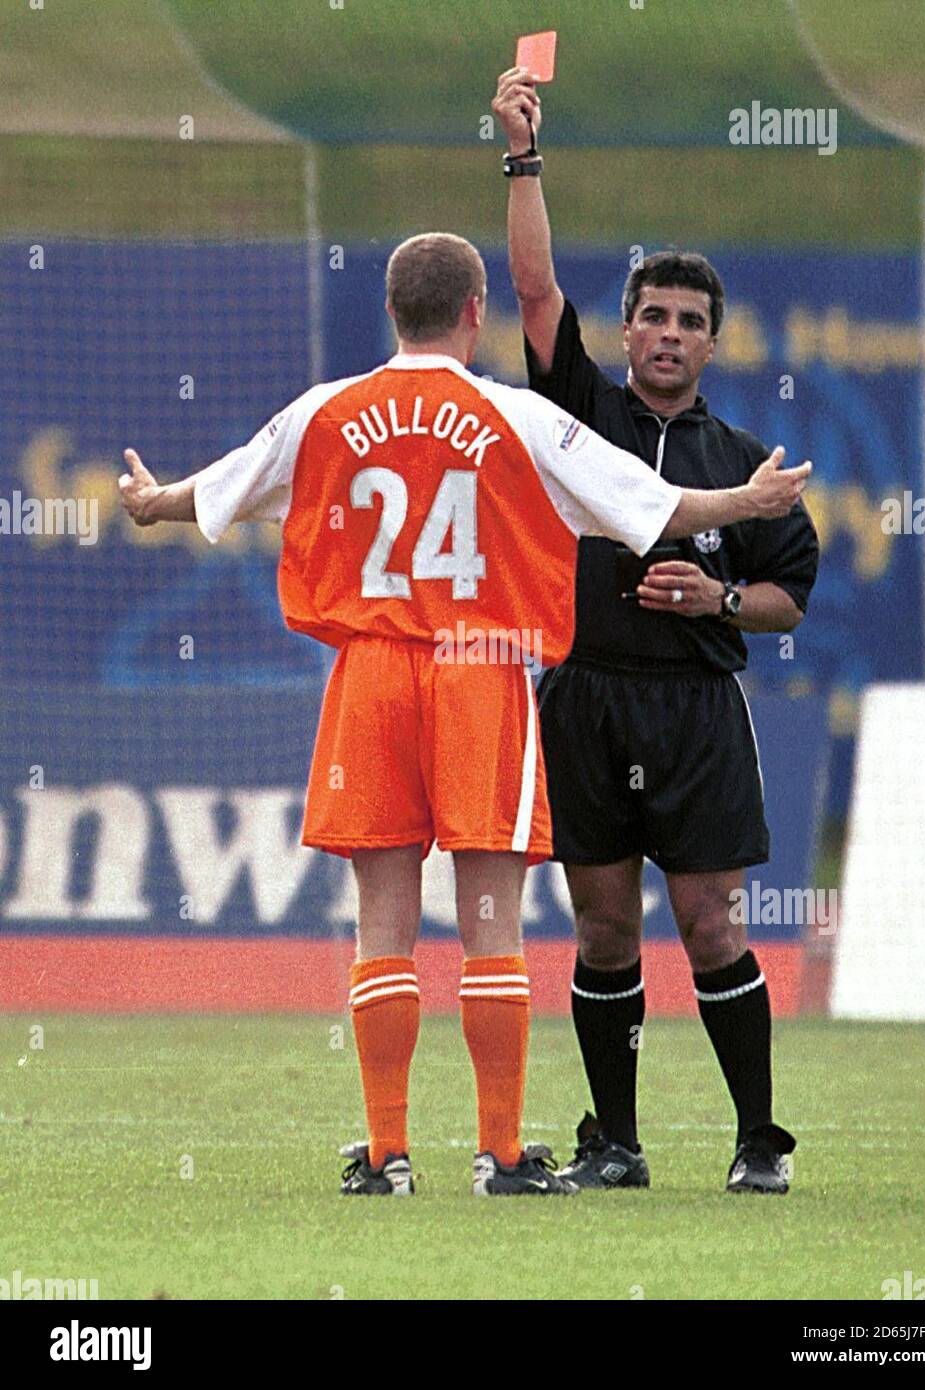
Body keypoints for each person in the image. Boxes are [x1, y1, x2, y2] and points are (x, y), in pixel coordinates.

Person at [118, 231, 811, 1197]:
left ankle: (388, 1156)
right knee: (491, 920)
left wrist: (154, 503)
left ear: (391, 312)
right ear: (473, 313)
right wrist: (749, 497)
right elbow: (649, 507)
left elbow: (228, 486)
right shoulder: (514, 416)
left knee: (382, 920)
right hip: (480, 670)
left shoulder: (328, 411)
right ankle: (502, 1154)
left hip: (369, 674)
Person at [492, 68, 820, 1193]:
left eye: (691, 323)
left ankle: (756, 1140)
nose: (669, 335)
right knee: (601, 932)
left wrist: (720, 600)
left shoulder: (745, 468)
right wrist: (522, 154)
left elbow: (784, 599)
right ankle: (616, 1143)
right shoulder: (581, 412)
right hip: (583, 693)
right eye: (653, 317)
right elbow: (534, 290)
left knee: (712, 922)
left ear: (714, 343)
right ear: (626, 329)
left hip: (694, 709)